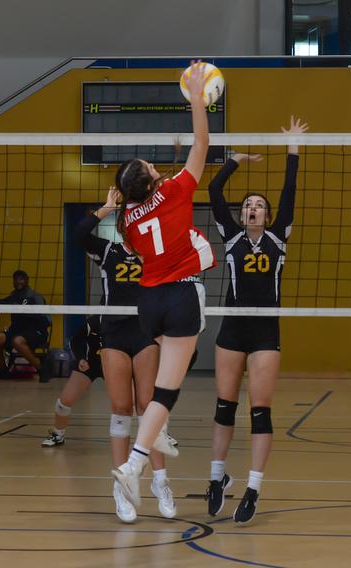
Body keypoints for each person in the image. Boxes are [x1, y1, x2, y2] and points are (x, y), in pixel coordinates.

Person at [110, 60, 214, 517]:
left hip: (147, 302)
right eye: (152, 166)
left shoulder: (127, 220)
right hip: (179, 295)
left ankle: (158, 436)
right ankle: (134, 466)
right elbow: (202, 145)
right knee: (165, 392)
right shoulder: (173, 192)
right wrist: (196, 100)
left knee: (165, 388)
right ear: (152, 179)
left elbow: (146, 209)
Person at [41, 189, 178, 522]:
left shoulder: (155, 252)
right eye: (126, 220)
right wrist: (104, 208)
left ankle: (160, 482)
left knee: (148, 407)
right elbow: (77, 234)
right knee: (120, 408)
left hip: (145, 335)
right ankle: (122, 488)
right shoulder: (107, 251)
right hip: (114, 335)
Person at [203, 116, 306, 524]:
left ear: (267, 214)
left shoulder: (280, 234)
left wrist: (293, 149)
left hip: (265, 332)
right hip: (232, 330)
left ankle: (252, 489)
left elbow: (290, 190)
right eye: (248, 204)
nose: (252, 208)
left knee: (259, 411)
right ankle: (216, 479)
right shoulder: (230, 236)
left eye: (258, 205)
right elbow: (213, 189)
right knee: (225, 407)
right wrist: (235, 160)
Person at [0, 270, 50, 380]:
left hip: (36, 332)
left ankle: (41, 369)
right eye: (15, 279)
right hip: (17, 331)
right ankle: (3, 370)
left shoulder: (35, 296)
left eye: (21, 279)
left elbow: (46, 320)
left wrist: (23, 310)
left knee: (17, 341)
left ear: (26, 280)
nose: (18, 281)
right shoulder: (13, 296)